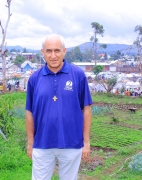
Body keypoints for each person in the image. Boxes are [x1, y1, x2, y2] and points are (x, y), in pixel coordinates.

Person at [25, 34, 92, 180]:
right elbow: (29, 112)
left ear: (64, 51)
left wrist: (86, 142)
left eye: (57, 50)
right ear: (42, 52)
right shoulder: (34, 79)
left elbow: (86, 109)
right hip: (42, 144)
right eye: (48, 51)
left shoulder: (78, 75)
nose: (53, 55)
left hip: (71, 143)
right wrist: (30, 143)